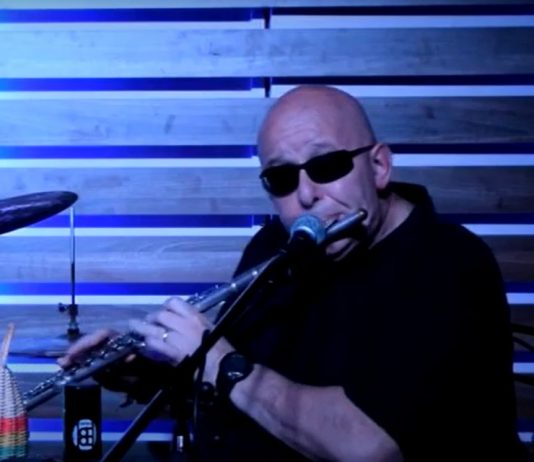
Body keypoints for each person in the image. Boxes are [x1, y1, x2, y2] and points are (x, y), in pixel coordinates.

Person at [60, 85, 527, 461]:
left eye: (326, 165)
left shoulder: (450, 265)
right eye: (282, 178)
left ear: (379, 166)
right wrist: (147, 370)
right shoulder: (276, 246)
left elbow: (368, 446)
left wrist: (214, 359)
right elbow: (237, 383)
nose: (305, 196)